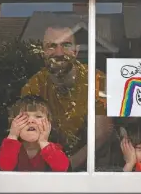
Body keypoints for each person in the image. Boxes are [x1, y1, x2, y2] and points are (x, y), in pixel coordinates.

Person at [21, 25, 113, 171]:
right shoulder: (33, 87)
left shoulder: (98, 80)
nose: (59, 52)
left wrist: (68, 166)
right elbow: (29, 137)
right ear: (43, 52)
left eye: (66, 45)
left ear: (75, 51)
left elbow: (102, 133)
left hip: (94, 168)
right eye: (51, 46)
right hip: (48, 165)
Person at [0, 95, 70, 172]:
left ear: (49, 124)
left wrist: (43, 142)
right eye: (24, 117)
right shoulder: (9, 146)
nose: (31, 120)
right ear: (13, 124)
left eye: (38, 116)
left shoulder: (53, 148)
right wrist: (13, 135)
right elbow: (5, 167)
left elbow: (62, 168)